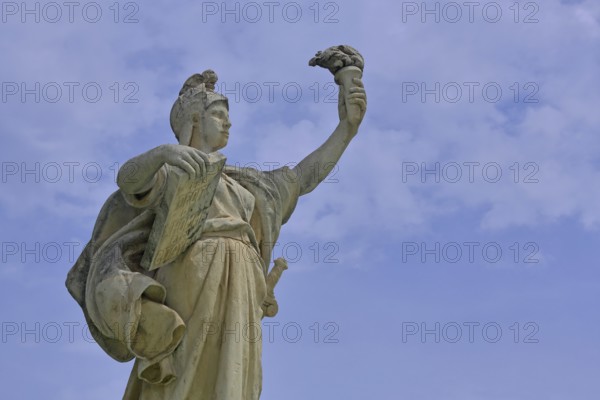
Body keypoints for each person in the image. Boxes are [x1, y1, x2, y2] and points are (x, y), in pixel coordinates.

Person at [66, 68, 366, 400]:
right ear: (194, 119)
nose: (228, 122)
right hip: (192, 276)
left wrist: (346, 129)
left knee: (234, 382)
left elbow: (302, 178)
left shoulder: (245, 186)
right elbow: (128, 181)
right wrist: (164, 154)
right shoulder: (175, 174)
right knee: (184, 373)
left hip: (243, 285)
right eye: (219, 114)